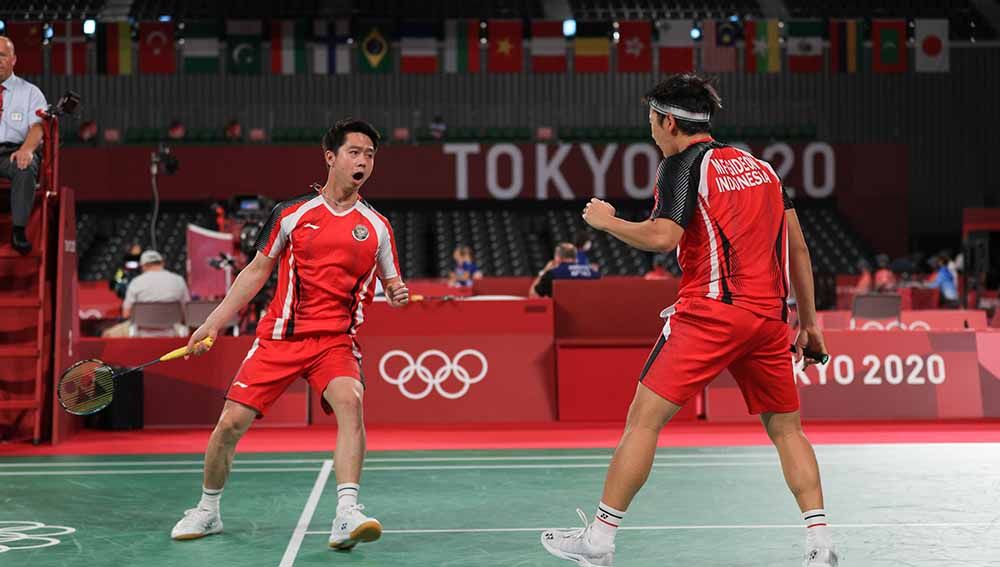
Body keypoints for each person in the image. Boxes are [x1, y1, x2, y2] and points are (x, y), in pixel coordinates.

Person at [539, 74, 837, 567]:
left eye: (652, 123)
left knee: (644, 420)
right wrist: (810, 323)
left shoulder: (682, 164)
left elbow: (662, 237)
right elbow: (798, 249)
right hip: (767, 320)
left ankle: (600, 539)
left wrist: (606, 220)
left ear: (668, 121)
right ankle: (820, 542)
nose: (651, 132)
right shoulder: (762, 168)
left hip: (711, 314)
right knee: (788, 431)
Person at [171, 118, 409, 551]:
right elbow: (255, 272)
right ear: (330, 157)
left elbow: (391, 281)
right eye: (354, 152)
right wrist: (212, 322)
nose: (363, 161)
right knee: (229, 426)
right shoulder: (292, 214)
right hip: (280, 338)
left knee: (350, 405)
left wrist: (395, 291)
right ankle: (207, 510)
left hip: (335, 342)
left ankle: (347, 512)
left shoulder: (377, 226)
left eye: (370, 155)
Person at [0, 36, 48, 255]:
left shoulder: (30, 92)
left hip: (14, 151)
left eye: (2, 55)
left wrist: (27, 149)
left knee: (25, 167)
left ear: (13, 59)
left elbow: (38, 127)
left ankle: (18, 231)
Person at [101, 250, 191, 337]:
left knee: (107, 334)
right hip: (173, 331)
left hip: (140, 332)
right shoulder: (179, 280)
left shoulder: (136, 282)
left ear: (143, 266)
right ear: (162, 263)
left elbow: (126, 313)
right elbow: (186, 311)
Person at [529, 243, 600, 297]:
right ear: (575, 257)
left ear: (558, 257)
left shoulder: (552, 274)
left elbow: (533, 294)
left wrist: (544, 271)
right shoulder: (594, 274)